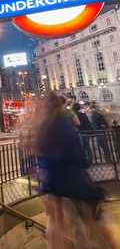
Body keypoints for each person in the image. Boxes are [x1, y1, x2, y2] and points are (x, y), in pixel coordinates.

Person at [34, 92, 108, 248]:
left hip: (48, 180)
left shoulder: (41, 124)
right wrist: (84, 166)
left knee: (55, 221)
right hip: (68, 178)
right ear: (59, 105)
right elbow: (74, 151)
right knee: (82, 219)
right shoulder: (61, 123)